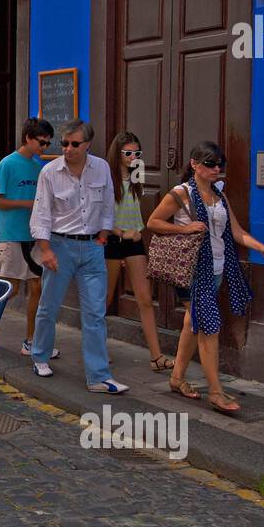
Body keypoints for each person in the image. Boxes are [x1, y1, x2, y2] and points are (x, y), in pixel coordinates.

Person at [147, 141, 264, 414]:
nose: (216, 168)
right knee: (209, 326)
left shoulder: (219, 195)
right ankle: (216, 392)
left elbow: (236, 231)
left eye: (220, 164)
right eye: (210, 164)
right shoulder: (180, 194)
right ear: (194, 164)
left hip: (216, 268)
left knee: (192, 322)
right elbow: (153, 222)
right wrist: (185, 230)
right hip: (192, 270)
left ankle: (177, 378)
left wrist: (260, 247)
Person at [28, 119, 126, 394]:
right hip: (60, 246)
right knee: (49, 306)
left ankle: (98, 376)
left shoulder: (101, 168)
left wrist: (103, 236)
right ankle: (39, 355)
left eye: (75, 144)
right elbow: (41, 214)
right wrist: (45, 249)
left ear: (87, 145)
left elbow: (108, 204)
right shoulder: (50, 172)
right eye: (65, 144)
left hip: (93, 247)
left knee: (95, 314)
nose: (68, 149)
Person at [104, 131, 174, 373]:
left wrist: (134, 232)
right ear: (117, 154)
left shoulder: (137, 174)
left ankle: (156, 356)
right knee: (105, 298)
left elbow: (135, 208)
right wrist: (120, 233)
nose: (133, 157)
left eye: (137, 153)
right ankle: (97, 348)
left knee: (145, 298)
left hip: (134, 241)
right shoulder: (106, 177)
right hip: (112, 240)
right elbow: (98, 214)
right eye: (128, 153)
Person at [0, 117, 54, 356]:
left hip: (34, 236)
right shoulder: (7, 164)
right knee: (9, 290)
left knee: (37, 287)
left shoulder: (39, 168)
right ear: (28, 138)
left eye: (48, 143)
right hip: (10, 235)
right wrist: (27, 203)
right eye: (42, 142)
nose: (45, 147)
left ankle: (32, 340)